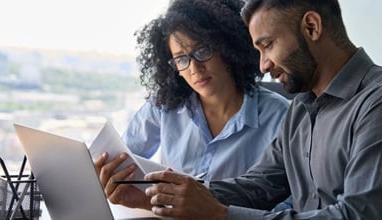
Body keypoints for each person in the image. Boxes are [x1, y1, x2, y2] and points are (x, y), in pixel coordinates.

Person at [97, 0, 382, 219]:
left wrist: (221, 216)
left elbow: (356, 216)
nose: (263, 65)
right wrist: (161, 197)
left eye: (267, 45)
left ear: (311, 27)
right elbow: (257, 187)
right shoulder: (301, 111)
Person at [95, 0, 290, 209]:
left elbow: (292, 203)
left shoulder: (280, 117)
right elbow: (125, 160)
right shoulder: (164, 107)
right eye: (181, 59)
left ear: (228, 47)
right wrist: (111, 179)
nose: (195, 68)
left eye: (202, 51)